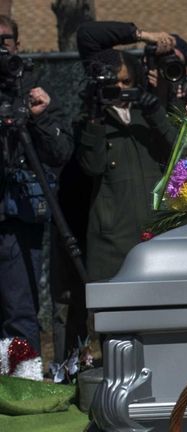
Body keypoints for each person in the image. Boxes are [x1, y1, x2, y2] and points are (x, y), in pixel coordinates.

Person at [75, 21, 178, 282]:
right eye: (114, 82)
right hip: (113, 244)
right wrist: (95, 118)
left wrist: (155, 112)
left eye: (127, 82)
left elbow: (179, 155)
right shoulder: (90, 121)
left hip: (158, 236)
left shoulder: (147, 117)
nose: (120, 89)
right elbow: (93, 165)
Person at [0, 15, 73, 356]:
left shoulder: (30, 90)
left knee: (20, 309)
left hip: (17, 217)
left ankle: (24, 381)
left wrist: (39, 117)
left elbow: (60, 152)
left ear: (17, 43)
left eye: (5, 39)